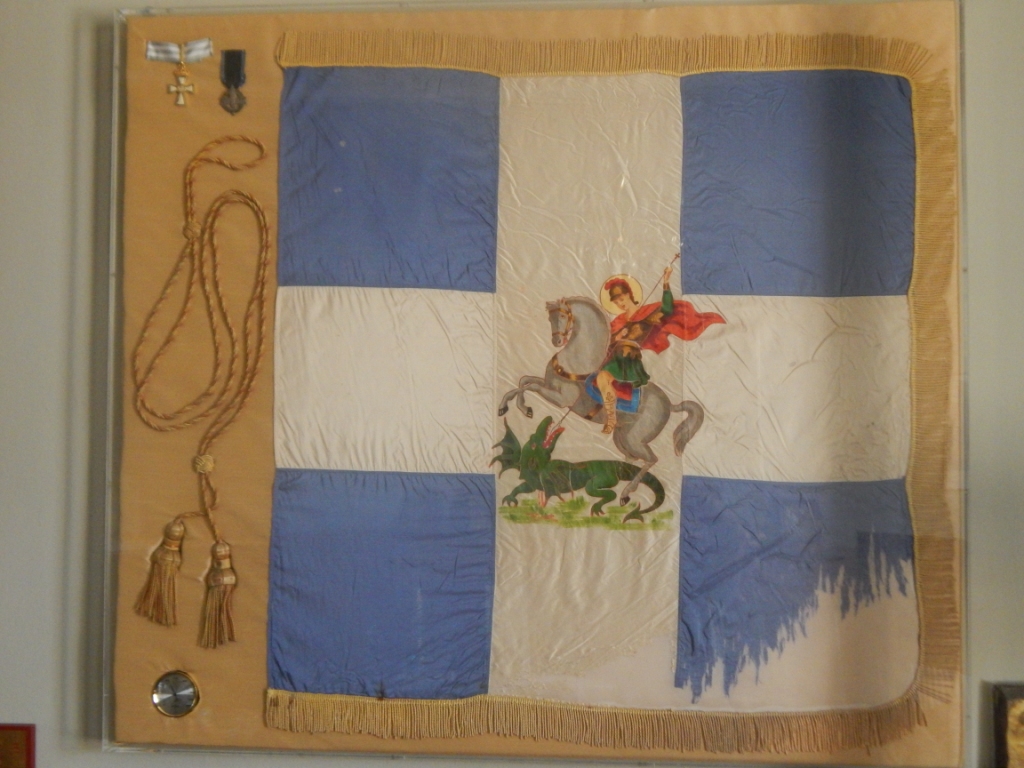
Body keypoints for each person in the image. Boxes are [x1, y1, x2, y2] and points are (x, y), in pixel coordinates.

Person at [595, 263, 724, 433]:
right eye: (616, 301)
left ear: (629, 295)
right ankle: (610, 415)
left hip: (630, 360)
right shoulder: (619, 322)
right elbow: (606, 343)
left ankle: (611, 420)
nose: (620, 303)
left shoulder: (647, 314)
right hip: (615, 358)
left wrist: (666, 281)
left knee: (603, 377)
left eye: (622, 298)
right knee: (596, 377)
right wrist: (617, 337)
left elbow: (667, 309)